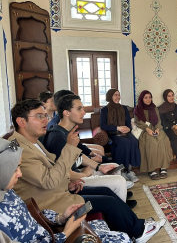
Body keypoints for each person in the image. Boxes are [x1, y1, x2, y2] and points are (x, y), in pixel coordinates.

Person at [9, 99, 166, 241]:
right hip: (48, 203)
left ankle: (138, 227)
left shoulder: (32, 141)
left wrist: (69, 182)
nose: (46, 120)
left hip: (58, 191)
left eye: (45, 115)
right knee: (109, 202)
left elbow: (49, 171)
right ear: (21, 121)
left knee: (106, 191)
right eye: (39, 116)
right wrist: (70, 149)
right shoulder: (19, 149)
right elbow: (49, 180)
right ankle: (136, 233)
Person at [0, 138, 133, 242]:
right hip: (56, 238)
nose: (20, 174)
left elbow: (32, 218)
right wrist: (65, 233)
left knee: (117, 233)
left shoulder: (8, 193)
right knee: (121, 238)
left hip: (50, 232)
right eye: (14, 169)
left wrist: (59, 218)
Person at [42, 94, 135, 206]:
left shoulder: (68, 131)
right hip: (75, 181)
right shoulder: (58, 137)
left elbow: (78, 155)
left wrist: (99, 166)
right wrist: (84, 174)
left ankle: (121, 202)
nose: (84, 113)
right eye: (79, 109)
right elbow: (64, 172)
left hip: (79, 173)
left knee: (115, 167)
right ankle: (122, 208)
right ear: (66, 113)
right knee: (119, 180)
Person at [47, 89, 105, 158]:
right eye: (79, 109)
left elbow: (77, 146)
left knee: (101, 152)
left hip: (75, 155)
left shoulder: (68, 124)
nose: (84, 113)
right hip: (72, 162)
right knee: (103, 157)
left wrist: (90, 154)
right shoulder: (56, 132)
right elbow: (67, 160)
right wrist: (92, 162)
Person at [100, 89, 141, 183]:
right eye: (115, 95)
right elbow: (103, 126)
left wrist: (128, 129)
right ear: (110, 96)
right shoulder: (104, 109)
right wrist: (117, 128)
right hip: (113, 133)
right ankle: (121, 171)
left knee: (134, 141)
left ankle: (129, 171)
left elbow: (127, 123)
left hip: (125, 133)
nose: (117, 97)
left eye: (119, 95)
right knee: (123, 143)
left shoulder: (124, 108)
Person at [134, 90, 173, 180]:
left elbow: (159, 120)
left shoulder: (154, 108)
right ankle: (151, 169)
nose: (148, 99)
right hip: (144, 130)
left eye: (150, 97)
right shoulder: (138, 108)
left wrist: (158, 129)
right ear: (142, 98)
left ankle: (163, 167)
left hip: (156, 128)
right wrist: (147, 129)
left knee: (163, 139)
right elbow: (138, 122)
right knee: (150, 141)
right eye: (146, 98)